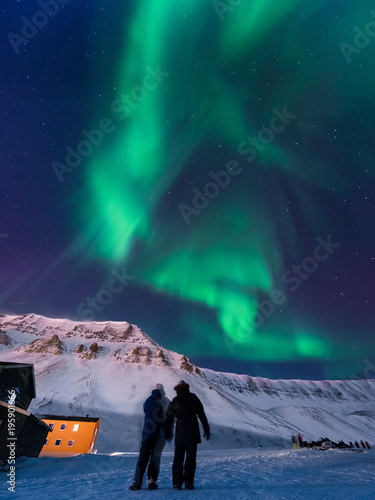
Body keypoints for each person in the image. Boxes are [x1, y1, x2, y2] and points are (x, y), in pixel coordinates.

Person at [165, 380, 210, 490]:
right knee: (191, 458)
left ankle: (176, 483)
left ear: (177, 388)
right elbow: (201, 413)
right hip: (192, 431)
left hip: (180, 431)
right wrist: (206, 428)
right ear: (187, 387)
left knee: (178, 458)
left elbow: (169, 417)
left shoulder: (175, 400)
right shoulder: (193, 397)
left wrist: (168, 431)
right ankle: (188, 482)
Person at [129, 385, 167, 491]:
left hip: (146, 434)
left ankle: (137, 482)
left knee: (142, 458)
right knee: (155, 459)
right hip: (157, 435)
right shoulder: (162, 402)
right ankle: (151, 482)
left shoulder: (147, 401)